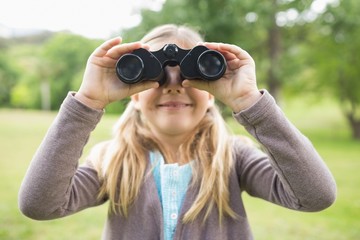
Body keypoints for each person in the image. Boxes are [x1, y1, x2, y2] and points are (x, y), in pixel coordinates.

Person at [18, 24, 336, 240]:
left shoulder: (234, 157)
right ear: (135, 94)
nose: (174, 87)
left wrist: (249, 102)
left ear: (211, 93)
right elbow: (39, 204)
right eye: (156, 78)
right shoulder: (112, 160)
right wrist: (87, 101)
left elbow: (316, 196)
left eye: (190, 76)